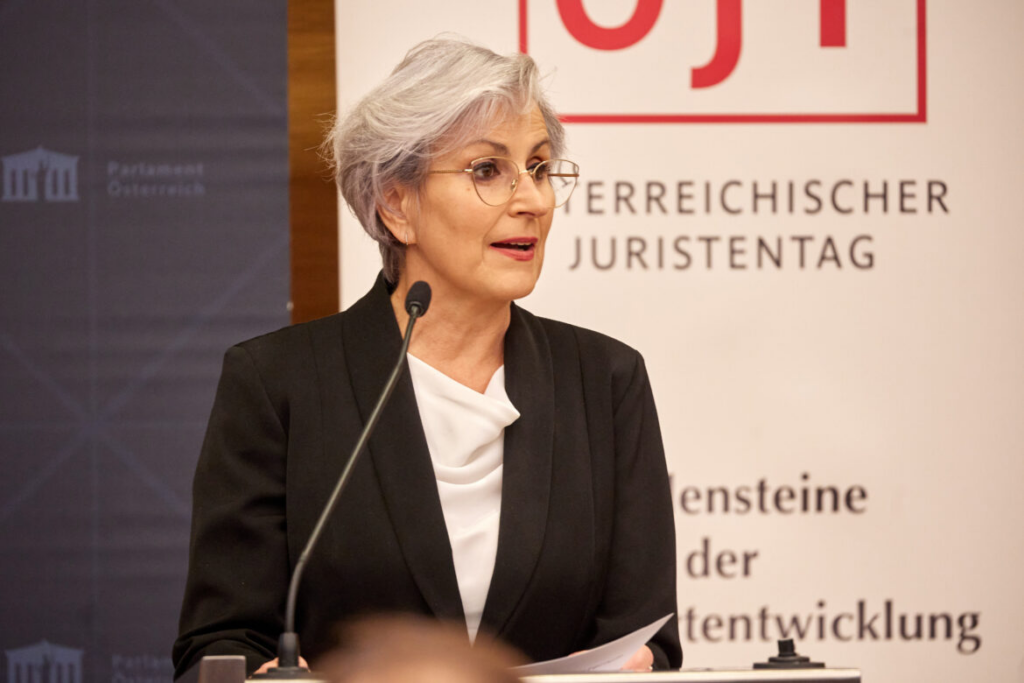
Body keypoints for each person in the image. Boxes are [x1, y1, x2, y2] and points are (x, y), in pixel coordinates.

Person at [172, 37, 681, 678]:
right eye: (487, 170)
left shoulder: (604, 381)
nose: (533, 199)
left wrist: (638, 663)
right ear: (397, 205)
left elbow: (649, 637)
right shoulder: (279, 384)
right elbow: (221, 646)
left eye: (539, 167)